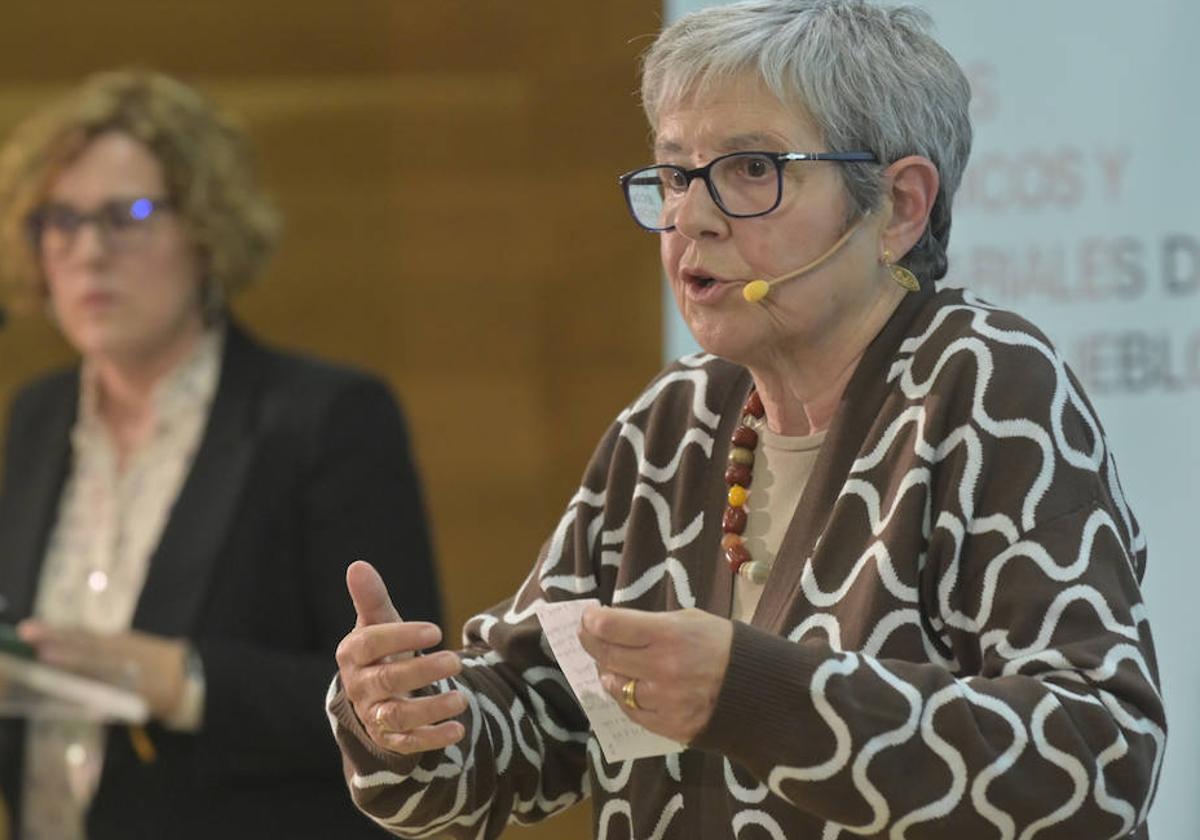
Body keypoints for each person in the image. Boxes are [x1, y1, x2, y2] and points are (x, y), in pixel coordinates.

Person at [329, 2, 1166, 837]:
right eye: (674, 173)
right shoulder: (675, 422)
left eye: (752, 169)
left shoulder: (983, 383)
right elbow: (546, 721)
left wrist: (757, 693)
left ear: (900, 208)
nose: (691, 216)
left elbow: (1097, 760)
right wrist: (414, 719)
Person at [0, 69, 442, 839]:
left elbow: (402, 706)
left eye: (127, 214)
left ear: (206, 228)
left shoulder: (326, 418)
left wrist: (185, 682)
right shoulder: (36, 418)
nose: (88, 251)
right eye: (60, 219)